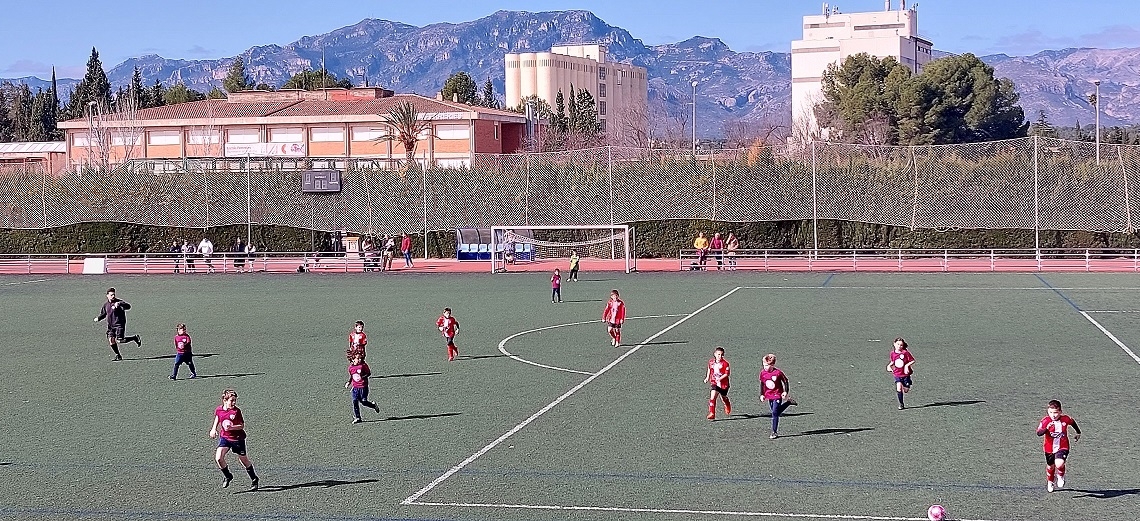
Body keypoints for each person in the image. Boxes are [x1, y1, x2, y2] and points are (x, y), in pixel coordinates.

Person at [208, 389, 259, 491]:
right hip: (225, 438)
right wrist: (213, 428)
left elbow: (241, 425)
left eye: (235, 400)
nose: (234, 403)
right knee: (218, 458)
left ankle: (254, 479)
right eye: (232, 400)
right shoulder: (219, 409)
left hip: (237, 439)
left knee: (243, 460)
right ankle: (228, 476)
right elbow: (218, 417)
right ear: (224, 400)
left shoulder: (236, 411)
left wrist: (232, 427)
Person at [1037, 400, 1082, 492]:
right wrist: (1046, 429)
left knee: (1059, 463)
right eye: (1051, 412)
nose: (1053, 415)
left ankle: (1060, 475)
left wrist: (1078, 432)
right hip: (1049, 448)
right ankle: (1050, 482)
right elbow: (1039, 433)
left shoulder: (1065, 419)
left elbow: (1072, 422)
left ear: (1060, 412)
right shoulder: (1045, 421)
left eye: (1055, 412)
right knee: (1050, 467)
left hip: (1063, 446)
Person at [94, 287, 141, 361]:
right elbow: (104, 314)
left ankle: (134, 338)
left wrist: (119, 304)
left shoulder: (119, 302)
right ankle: (118, 355)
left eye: (114, 295)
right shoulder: (106, 305)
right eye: (111, 295)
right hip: (111, 326)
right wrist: (98, 318)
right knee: (111, 340)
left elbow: (128, 306)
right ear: (107, 295)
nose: (113, 296)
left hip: (119, 325)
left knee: (120, 340)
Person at [759, 353, 797, 439]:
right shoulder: (763, 373)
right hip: (769, 395)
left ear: (772, 365)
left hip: (777, 394)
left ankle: (774, 432)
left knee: (775, 413)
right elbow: (762, 383)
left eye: (766, 365)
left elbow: (785, 381)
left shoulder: (778, 373)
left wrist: (785, 391)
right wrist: (762, 394)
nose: (764, 367)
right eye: (763, 365)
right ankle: (788, 402)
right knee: (775, 412)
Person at [346, 352, 381, 423]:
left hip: (363, 387)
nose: (359, 360)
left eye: (360, 358)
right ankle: (358, 417)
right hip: (355, 388)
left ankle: (373, 405)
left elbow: (369, 373)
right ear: (353, 359)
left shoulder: (363, 366)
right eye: (357, 358)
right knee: (355, 401)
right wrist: (349, 382)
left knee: (364, 402)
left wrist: (363, 376)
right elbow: (352, 376)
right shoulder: (351, 368)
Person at [886, 337, 916, 410]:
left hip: (905, 374)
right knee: (899, 388)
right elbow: (893, 361)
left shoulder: (905, 353)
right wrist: (889, 366)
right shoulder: (892, 353)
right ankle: (901, 404)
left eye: (901, 345)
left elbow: (912, 360)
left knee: (906, 390)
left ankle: (907, 385)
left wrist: (906, 366)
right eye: (898, 344)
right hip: (897, 374)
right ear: (894, 344)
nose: (899, 346)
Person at [704, 346, 731, 420]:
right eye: (718, 354)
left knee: (724, 397)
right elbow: (709, 369)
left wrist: (720, 378)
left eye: (722, 355)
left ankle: (727, 404)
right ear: (715, 354)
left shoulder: (725, 364)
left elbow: (727, 374)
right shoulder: (711, 362)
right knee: (712, 397)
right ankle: (712, 413)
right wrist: (707, 377)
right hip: (714, 382)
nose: (720, 356)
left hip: (723, 384)